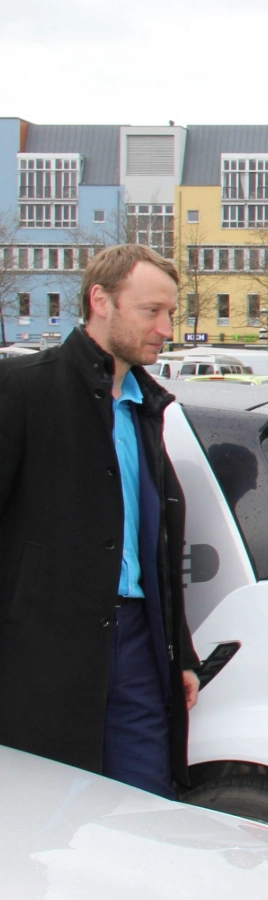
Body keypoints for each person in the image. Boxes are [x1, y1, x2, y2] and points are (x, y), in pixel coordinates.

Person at [0, 244, 201, 799]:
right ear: (101, 301)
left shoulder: (144, 405)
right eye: (151, 311)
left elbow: (155, 544)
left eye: (170, 313)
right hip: (45, 657)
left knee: (142, 808)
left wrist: (178, 653)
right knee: (50, 822)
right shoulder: (22, 390)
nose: (165, 327)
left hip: (138, 643)